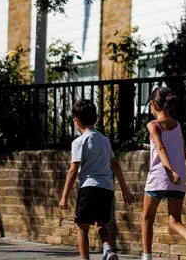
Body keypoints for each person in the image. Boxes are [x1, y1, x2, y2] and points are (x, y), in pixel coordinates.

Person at [59, 99, 135, 260]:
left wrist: (64, 196)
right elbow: (115, 165)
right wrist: (125, 189)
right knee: (100, 223)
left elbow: (73, 170)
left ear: (76, 121)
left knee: (82, 226)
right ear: (96, 119)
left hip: (88, 187)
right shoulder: (104, 140)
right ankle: (107, 248)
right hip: (106, 188)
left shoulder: (79, 142)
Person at [141, 87, 186, 260]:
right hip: (177, 181)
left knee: (147, 217)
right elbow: (183, 153)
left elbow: (161, 147)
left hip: (160, 177)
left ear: (152, 104)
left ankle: (146, 257)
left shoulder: (153, 125)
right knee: (174, 220)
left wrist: (169, 170)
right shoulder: (178, 125)